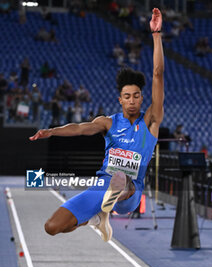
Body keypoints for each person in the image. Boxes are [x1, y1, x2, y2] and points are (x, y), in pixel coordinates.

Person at [29, 8, 164, 242]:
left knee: (121, 179)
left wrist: (156, 34)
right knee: (53, 226)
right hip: (102, 184)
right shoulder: (108, 122)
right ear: (119, 99)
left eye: (136, 95)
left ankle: (106, 208)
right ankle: (96, 218)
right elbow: (80, 128)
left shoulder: (151, 121)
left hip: (130, 192)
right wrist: (51, 131)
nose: (132, 100)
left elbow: (158, 74)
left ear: (142, 98)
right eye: (127, 96)